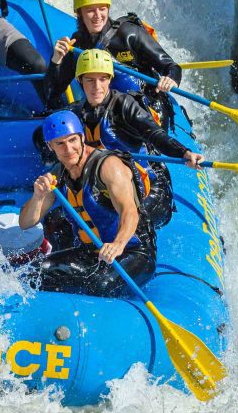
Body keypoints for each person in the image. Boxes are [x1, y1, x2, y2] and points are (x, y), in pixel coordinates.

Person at [18, 111, 156, 296]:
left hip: (132, 252)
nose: (68, 149)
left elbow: (129, 211)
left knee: (99, 286)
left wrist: (118, 244)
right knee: (34, 273)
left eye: (73, 140)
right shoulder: (57, 176)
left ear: (82, 137)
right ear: (50, 146)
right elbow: (26, 223)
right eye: (60, 143)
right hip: (91, 252)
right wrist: (38, 196)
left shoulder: (109, 166)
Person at [65, 49, 204, 228]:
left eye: (102, 79)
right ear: (80, 81)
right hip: (106, 188)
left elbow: (154, 133)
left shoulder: (124, 105)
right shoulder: (75, 113)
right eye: (90, 80)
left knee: (124, 224)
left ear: (110, 80)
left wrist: (184, 152)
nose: (97, 87)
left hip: (147, 187)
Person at [46, 0, 181, 123]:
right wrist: (56, 60)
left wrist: (170, 78)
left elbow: (171, 67)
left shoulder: (130, 34)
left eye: (102, 9)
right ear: (79, 13)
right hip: (103, 110)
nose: (98, 15)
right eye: (90, 10)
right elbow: (52, 92)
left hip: (143, 107)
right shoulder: (77, 44)